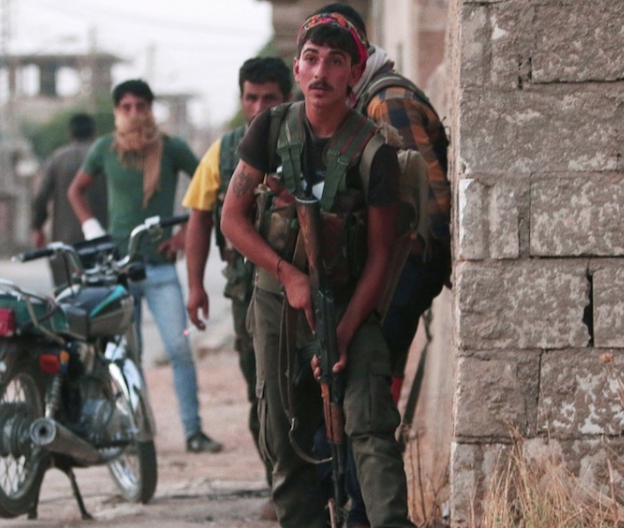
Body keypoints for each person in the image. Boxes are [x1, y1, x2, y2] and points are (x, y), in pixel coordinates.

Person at [220, 12, 414, 528]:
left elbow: (379, 256)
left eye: (336, 61)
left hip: (350, 303)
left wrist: (345, 335)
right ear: (297, 68)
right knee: (284, 435)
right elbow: (232, 220)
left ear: (354, 74)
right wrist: (288, 274)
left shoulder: (374, 152)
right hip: (276, 305)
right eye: (311, 59)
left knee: (371, 427)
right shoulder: (270, 128)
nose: (322, 71)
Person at [310, 6, 453, 527]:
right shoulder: (366, 102)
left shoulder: (387, 101)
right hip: (392, 272)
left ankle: (364, 513)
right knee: (369, 392)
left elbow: (426, 204)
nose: (325, 73)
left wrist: (419, 272)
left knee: (365, 395)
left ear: (358, 58)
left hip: (401, 271)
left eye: (337, 57)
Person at [67, 79, 223, 454]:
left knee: (179, 348)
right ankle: (137, 435)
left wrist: (187, 230)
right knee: (126, 356)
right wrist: (93, 230)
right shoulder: (105, 149)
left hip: (160, 269)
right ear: (117, 111)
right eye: (126, 106)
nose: (134, 113)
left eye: (141, 105)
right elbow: (77, 191)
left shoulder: (170, 149)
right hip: (117, 269)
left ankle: (193, 431)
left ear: (151, 109)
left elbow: (210, 184)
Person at [182, 56, 292, 514]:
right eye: (252, 97)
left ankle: (327, 486)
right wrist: (195, 286)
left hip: (309, 286)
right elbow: (200, 217)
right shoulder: (226, 152)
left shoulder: (308, 137)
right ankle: (281, 487)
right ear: (241, 98)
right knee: (262, 391)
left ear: (288, 96)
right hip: (248, 293)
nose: (260, 106)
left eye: (270, 98)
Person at [30, 113, 107, 287]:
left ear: (70, 134)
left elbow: (41, 196)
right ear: (93, 133)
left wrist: (37, 227)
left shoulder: (58, 158)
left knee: (67, 296)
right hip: (103, 239)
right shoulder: (105, 156)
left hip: (66, 242)